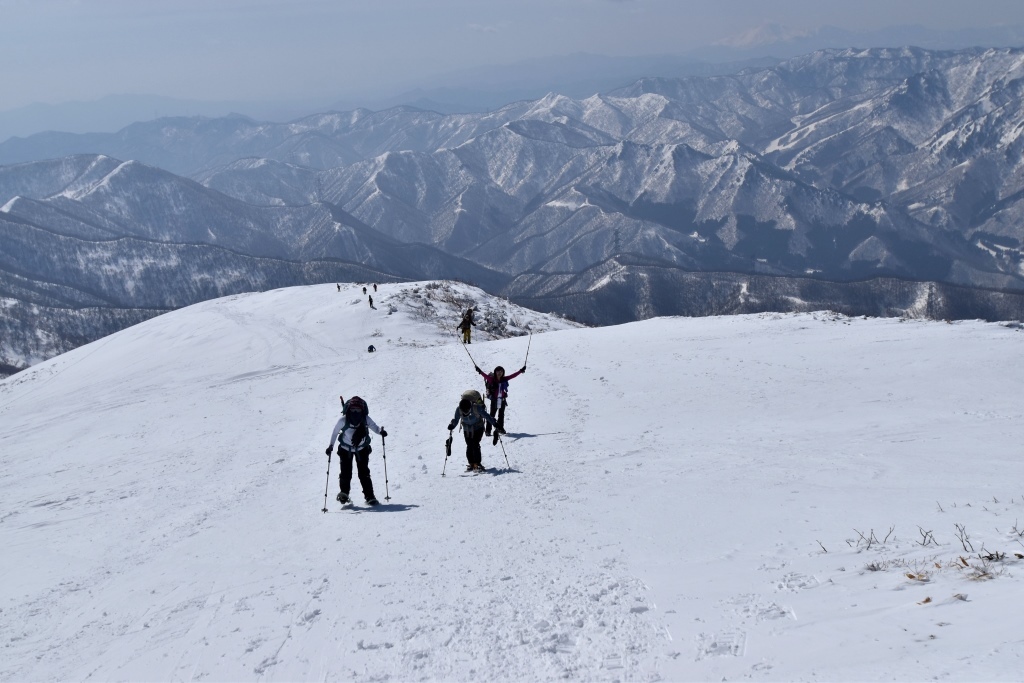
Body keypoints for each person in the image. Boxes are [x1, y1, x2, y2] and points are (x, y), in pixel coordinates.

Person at [325, 396, 387, 505]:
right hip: (346, 449)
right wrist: (331, 446)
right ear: (348, 409)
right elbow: (335, 432)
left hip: (361, 449)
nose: (355, 412)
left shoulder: (365, 419)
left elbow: (375, 428)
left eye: (358, 410)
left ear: (362, 410)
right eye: (353, 409)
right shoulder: (344, 420)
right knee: (346, 473)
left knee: (363, 473)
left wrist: (380, 432)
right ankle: (345, 494)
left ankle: (369, 496)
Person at [448, 393, 502, 471]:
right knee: (469, 445)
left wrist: (495, 424)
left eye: (466, 410)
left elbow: (487, 416)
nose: (465, 412)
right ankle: (471, 464)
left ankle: (477, 463)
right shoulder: (459, 409)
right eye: (464, 411)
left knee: (475, 444)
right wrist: (452, 426)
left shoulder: (476, 408)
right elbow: (456, 419)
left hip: (478, 427)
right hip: (467, 429)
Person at [475, 364, 525, 440]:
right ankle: (488, 430)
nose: (499, 373)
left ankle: (500, 429)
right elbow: (485, 376)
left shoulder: (504, 379)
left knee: (501, 415)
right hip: (494, 400)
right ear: (495, 372)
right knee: (491, 416)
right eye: (498, 371)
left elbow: (513, 375)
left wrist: (520, 371)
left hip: (502, 400)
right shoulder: (492, 379)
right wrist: (479, 371)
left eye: (501, 371)